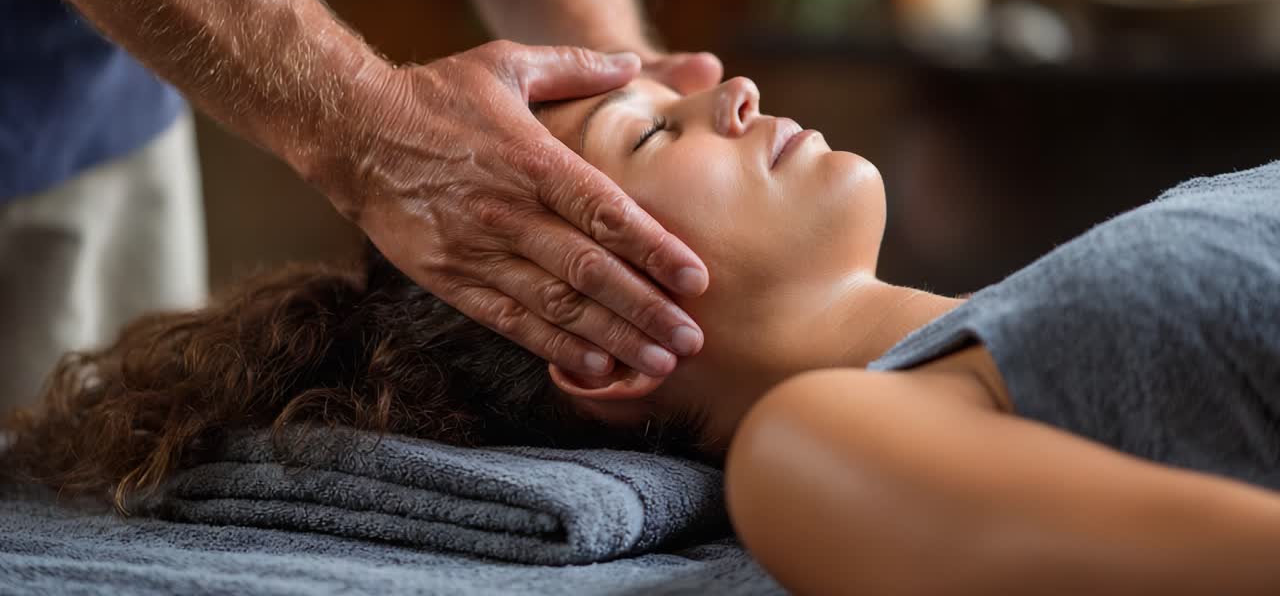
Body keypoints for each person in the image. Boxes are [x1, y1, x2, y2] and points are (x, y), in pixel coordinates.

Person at [6, 75, 1280, 594]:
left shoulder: (1042, 301)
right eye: (654, 129)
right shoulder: (814, 448)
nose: (733, 89)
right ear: (600, 345)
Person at [0, 0, 720, 413]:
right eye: (653, 132)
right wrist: (365, 121)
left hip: (76, 100)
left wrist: (605, 62)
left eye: (658, 126)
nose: (733, 89)